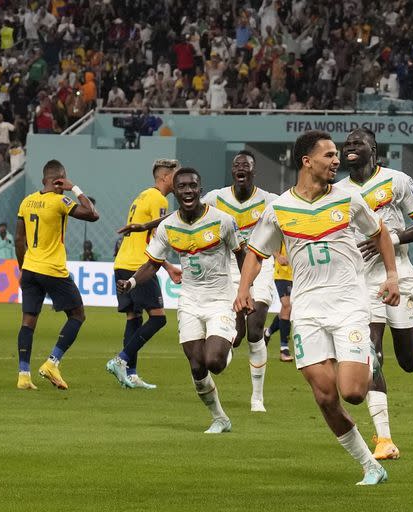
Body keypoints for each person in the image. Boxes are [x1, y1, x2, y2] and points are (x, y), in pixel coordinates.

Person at [234, 130, 399, 485]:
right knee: (326, 396)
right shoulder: (279, 209)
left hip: (349, 305)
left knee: (353, 392)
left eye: (337, 155)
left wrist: (392, 276)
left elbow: (380, 233)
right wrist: (243, 289)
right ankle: (371, 465)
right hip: (307, 311)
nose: (337, 160)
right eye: (329, 155)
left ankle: (365, 350)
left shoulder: (349, 200)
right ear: (307, 161)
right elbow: (255, 254)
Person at [117, 168, 244, 433]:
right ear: (175, 191)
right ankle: (219, 417)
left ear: (200, 189)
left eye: (192, 186)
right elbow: (152, 264)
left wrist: (245, 290)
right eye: (182, 186)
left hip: (220, 298)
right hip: (189, 300)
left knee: (215, 362)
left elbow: (240, 255)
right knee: (197, 365)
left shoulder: (223, 221)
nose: (187, 191)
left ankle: (228, 340)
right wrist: (131, 282)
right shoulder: (168, 226)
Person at [335, 128, 413, 460]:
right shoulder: (337, 191)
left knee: (406, 361)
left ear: (372, 149)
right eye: (346, 144)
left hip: (399, 276)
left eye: (357, 143)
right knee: (371, 353)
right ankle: (384, 439)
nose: (350, 148)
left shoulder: (397, 181)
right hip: (361, 282)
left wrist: (390, 240)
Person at [202, 150, 277, 412]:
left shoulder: (269, 201)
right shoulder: (215, 198)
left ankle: (257, 398)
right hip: (229, 268)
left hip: (261, 267)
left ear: (253, 172)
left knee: (256, 328)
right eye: (237, 165)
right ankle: (230, 344)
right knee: (236, 334)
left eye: (246, 165)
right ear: (233, 172)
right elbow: (189, 216)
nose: (240, 168)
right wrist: (149, 226)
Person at [14, 159, 99, 390]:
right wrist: (75, 188)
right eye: (64, 179)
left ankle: (23, 375)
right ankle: (52, 363)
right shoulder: (61, 200)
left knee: (28, 322)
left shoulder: (27, 201)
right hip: (53, 269)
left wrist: (23, 269)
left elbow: (19, 239)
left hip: (30, 268)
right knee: (78, 315)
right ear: (59, 179)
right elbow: (93, 214)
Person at [106, 159, 182, 389]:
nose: (178, 180)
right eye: (176, 175)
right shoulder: (159, 199)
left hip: (123, 262)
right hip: (140, 266)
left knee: (134, 317)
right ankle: (120, 360)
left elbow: (145, 236)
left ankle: (130, 375)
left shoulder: (142, 196)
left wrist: (167, 267)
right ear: (165, 177)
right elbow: (159, 235)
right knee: (158, 317)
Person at [263, 243, 295, 362]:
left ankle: (267, 332)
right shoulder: (281, 226)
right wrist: (278, 256)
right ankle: (284, 349)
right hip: (282, 274)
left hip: (298, 273)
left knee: (286, 310)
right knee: (287, 306)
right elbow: (271, 243)